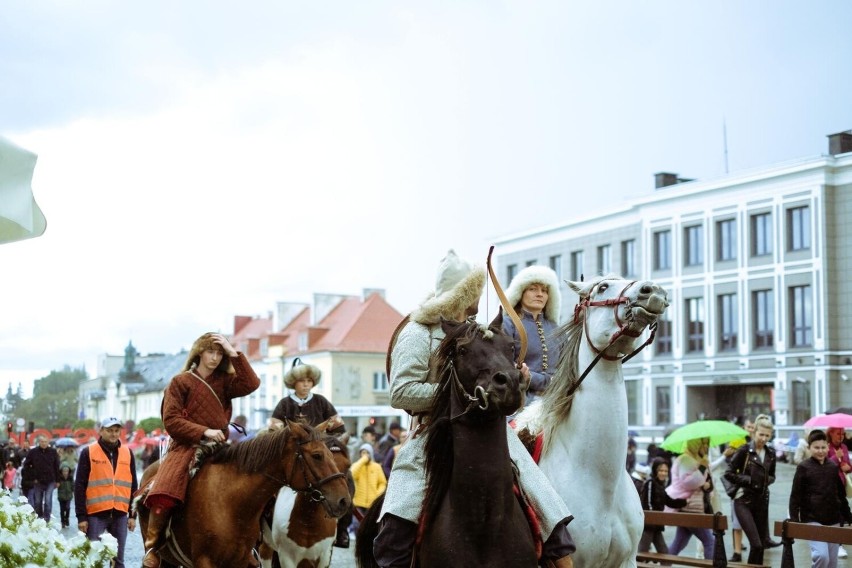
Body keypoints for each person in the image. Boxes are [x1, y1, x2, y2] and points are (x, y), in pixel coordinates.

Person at [375, 249, 575, 568]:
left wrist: (514, 382)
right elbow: (401, 392)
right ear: (458, 295)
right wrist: (460, 395)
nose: (475, 302)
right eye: (471, 295)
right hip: (433, 432)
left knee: (545, 501)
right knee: (398, 519)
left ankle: (559, 556)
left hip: (490, 431)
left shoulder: (479, 333)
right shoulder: (417, 332)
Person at [141, 332, 260, 568]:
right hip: (185, 445)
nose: (215, 358)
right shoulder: (180, 382)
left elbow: (251, 383)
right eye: (210, 352)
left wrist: (232, 351)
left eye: (219, 353)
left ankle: (249, 545)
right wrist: (204, 431)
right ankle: (154, 546)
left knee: (252, 485)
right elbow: (171, 420)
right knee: (166, 486)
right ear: (199, 353)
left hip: (220, 447)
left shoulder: (225, 382)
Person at [269, 358, 351, 548]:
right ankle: (264, 525)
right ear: (293, 383)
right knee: (268, 485)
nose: (306, 385)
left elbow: (339, 430)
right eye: (301, 381)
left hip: (321, 456)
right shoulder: (284, 404)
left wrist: (323, 443)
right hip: (293, 457)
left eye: (309, 381)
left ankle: (343, 529)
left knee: (347, 480)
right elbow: (274, 433)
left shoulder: (322, 402)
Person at [75, 416, 138, 568]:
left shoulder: (127, 453)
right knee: (93, 561)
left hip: (120, 515)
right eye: (109, 430)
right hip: (95, 515)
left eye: (117, 431)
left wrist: (132, 515)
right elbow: (79, 486)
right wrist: (81, 517)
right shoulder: (88, 452)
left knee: (118, 561)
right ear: (101, 431)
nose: (114, 434)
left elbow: (134, 486)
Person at [789, 429, 852, 568]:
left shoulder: (833, 466)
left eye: (823, 447)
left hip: (834, 519)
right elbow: (795, 496)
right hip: (812, 519)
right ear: (809, 447)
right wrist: (794, 519)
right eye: (816, 448)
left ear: (828, 447)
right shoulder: (803, 467)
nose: (820, 451)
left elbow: (841, 495)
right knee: (822, 556)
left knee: (832, 563)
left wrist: (848, 516)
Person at [502, 265, 562, 406]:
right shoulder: (507, 324)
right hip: (517, 404)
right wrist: (533, 379)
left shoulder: (556, 329)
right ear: (520, 293)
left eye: (544, 290)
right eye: (533, 289)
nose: (540, 294)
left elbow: (568, 367)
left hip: (556, 405)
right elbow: (501, 363)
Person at [724, 413, 777, 565]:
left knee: (760, 547)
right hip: (743, 500)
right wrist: (749, 480)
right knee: (756, 544)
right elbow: (728, 473)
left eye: (767, 436)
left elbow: (773, 476)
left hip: (761, 501)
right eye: (761, 434)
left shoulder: (771, 453)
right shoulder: (744, 450)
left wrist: (765, 481)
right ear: (754, 432)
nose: (764, 439)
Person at [665, 437, 715, 559]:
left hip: (693, 505)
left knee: (679, 543)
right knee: (710, 541)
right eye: (704, 444)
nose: (706, 447)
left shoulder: (696, 460)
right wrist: (702, 467)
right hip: (690, 506)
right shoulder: (686, 459)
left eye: (707, 444)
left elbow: (706, 483)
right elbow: (688, 482)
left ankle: (664, 564)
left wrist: (707, 484)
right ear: (696, 445)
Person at [639, 457, 687, 556]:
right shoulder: (650, 483)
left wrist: (685, 501)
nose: (663, 473)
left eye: (665, 471)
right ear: (655, 470)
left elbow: (670, 502)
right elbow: (647, 504)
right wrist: (653, 519)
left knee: (664, 553)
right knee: (642, 555)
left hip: (656, 526)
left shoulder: (660, 486)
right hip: (648, 526)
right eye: (660, 470)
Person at [827, 426, 852, 560]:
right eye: (838, 434)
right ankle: (839, 544)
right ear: (831, 433)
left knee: (845, 512)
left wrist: (848, 467)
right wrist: (836, 458)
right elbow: (825, 466)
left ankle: (840, 540)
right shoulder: (826, 447)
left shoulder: (844, 447)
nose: (840, 436)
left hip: (842, 484)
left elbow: (848, 465)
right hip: (830, 485)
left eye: (842, 434)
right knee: (838, 514)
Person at [351, 443, 387, 532]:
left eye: (367, 452)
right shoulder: (357, 465)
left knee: (369, 527)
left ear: (371, 453)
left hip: (372, 503)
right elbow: (352, 474)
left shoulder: (377, 467)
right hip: (358, 503)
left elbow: (382, 483)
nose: (365, 454)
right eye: (363, 452)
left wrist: (377, 494)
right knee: (356, 525)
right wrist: (363, 460)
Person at [25, 435, 61, 522]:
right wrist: (33, 477)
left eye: (45, 442)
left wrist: (58, 480)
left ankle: (46, 519)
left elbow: (57, 466)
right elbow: (26, 466)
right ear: (39, 442)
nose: (44, 443)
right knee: (37, 501)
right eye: (42, 442)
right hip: (38, 480)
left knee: (48, 501)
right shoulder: (33, 452)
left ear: (48, 442)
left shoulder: (53, 452)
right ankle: (39, 517)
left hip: (50, 480)